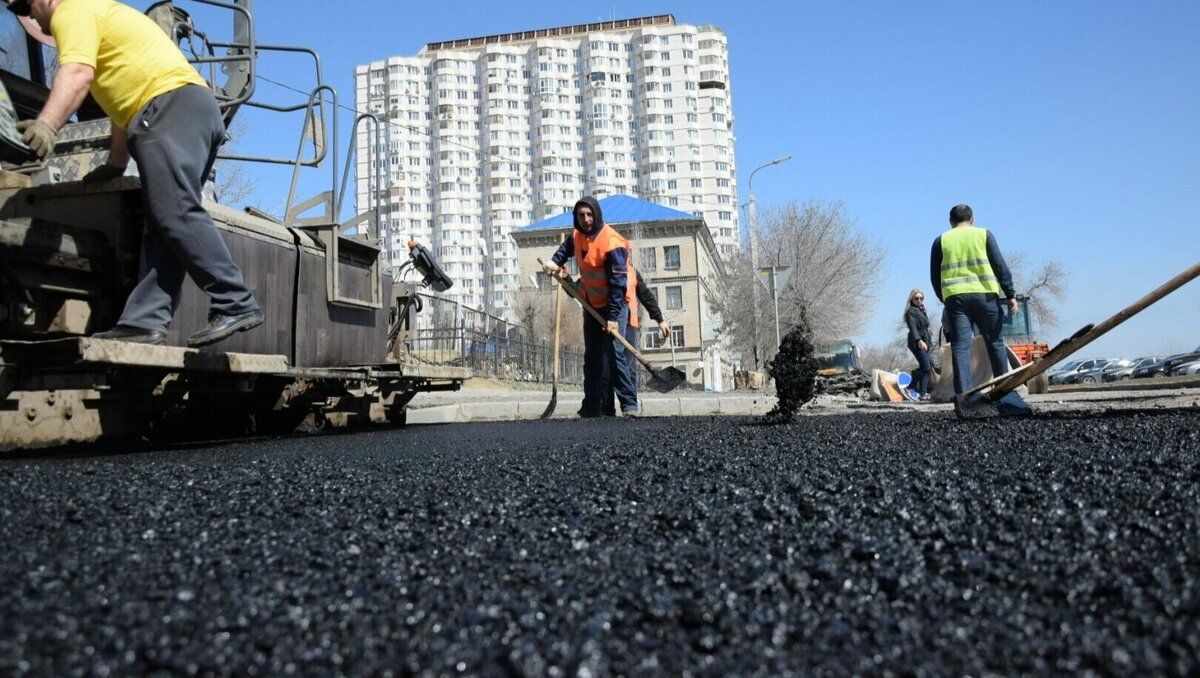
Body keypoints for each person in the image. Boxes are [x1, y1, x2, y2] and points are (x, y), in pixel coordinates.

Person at [9, 0, 262, 347]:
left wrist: (47, 125)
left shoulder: (71, 11)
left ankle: (236, 300)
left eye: (26, 6)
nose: (29, 17)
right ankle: (144, 321)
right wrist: (115, 164)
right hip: (188, 108)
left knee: (174, 212)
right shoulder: (98, 16)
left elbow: (77, 74)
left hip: (168, 108)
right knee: (162, 226)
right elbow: (121, 107)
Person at [543, 197, 638, 417]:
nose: (586, 219)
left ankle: (629, 405)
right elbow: (565, 250)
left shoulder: (612, 242)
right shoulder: (577, 236)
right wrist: (555, 262)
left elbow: (617, 285)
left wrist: (613, 317)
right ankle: (591, 406)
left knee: (616, 355)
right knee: (592, 357)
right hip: (591, 305)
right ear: (576, 217)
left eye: (589, 214)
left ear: (596, 214)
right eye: (581, 215)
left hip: (615, 306)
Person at [930, 204, 1018, 394]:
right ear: (972, 219)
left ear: (950, 221)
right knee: (994, 343)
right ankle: (1005, 394)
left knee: (961, 348)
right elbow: (999, 266)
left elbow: (934, 277)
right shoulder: (984, 235)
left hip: (956, 300)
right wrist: (1010, 294)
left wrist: (945, 298)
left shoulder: (941, 241)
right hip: (986, 297)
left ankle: (966, 399)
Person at [604, 267, 670, 415]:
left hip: (629, 326)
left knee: (628, 367)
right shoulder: (603, 268)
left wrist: (660, 319)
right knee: (608, 365)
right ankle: (606, 409)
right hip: (610, 324)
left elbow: (645, 295)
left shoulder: (631, 271)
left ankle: (630, 408)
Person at [903, 288, 933, 401]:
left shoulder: (921, 310)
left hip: (925, 341)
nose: (919, 300)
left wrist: (926, 341)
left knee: (926, 367)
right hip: (916, 342)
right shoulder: (910, 312)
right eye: (916, 298)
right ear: (912, 299)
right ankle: (909, 387)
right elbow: (913, 328)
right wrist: (919, 341)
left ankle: (923, 394)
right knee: (926, 366)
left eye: (921, 298)